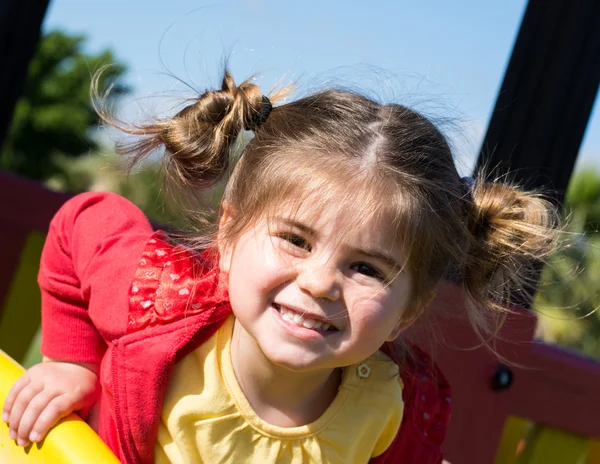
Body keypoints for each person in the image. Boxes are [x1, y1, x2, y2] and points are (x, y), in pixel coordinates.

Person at [3, 70, 558, 463]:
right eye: (295, 239)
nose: (319, 282)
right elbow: (83, 219)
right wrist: (73, 362)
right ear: (229, 231)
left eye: (366, 269)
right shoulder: (154, 296)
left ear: (409, 309)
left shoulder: (393, 411)